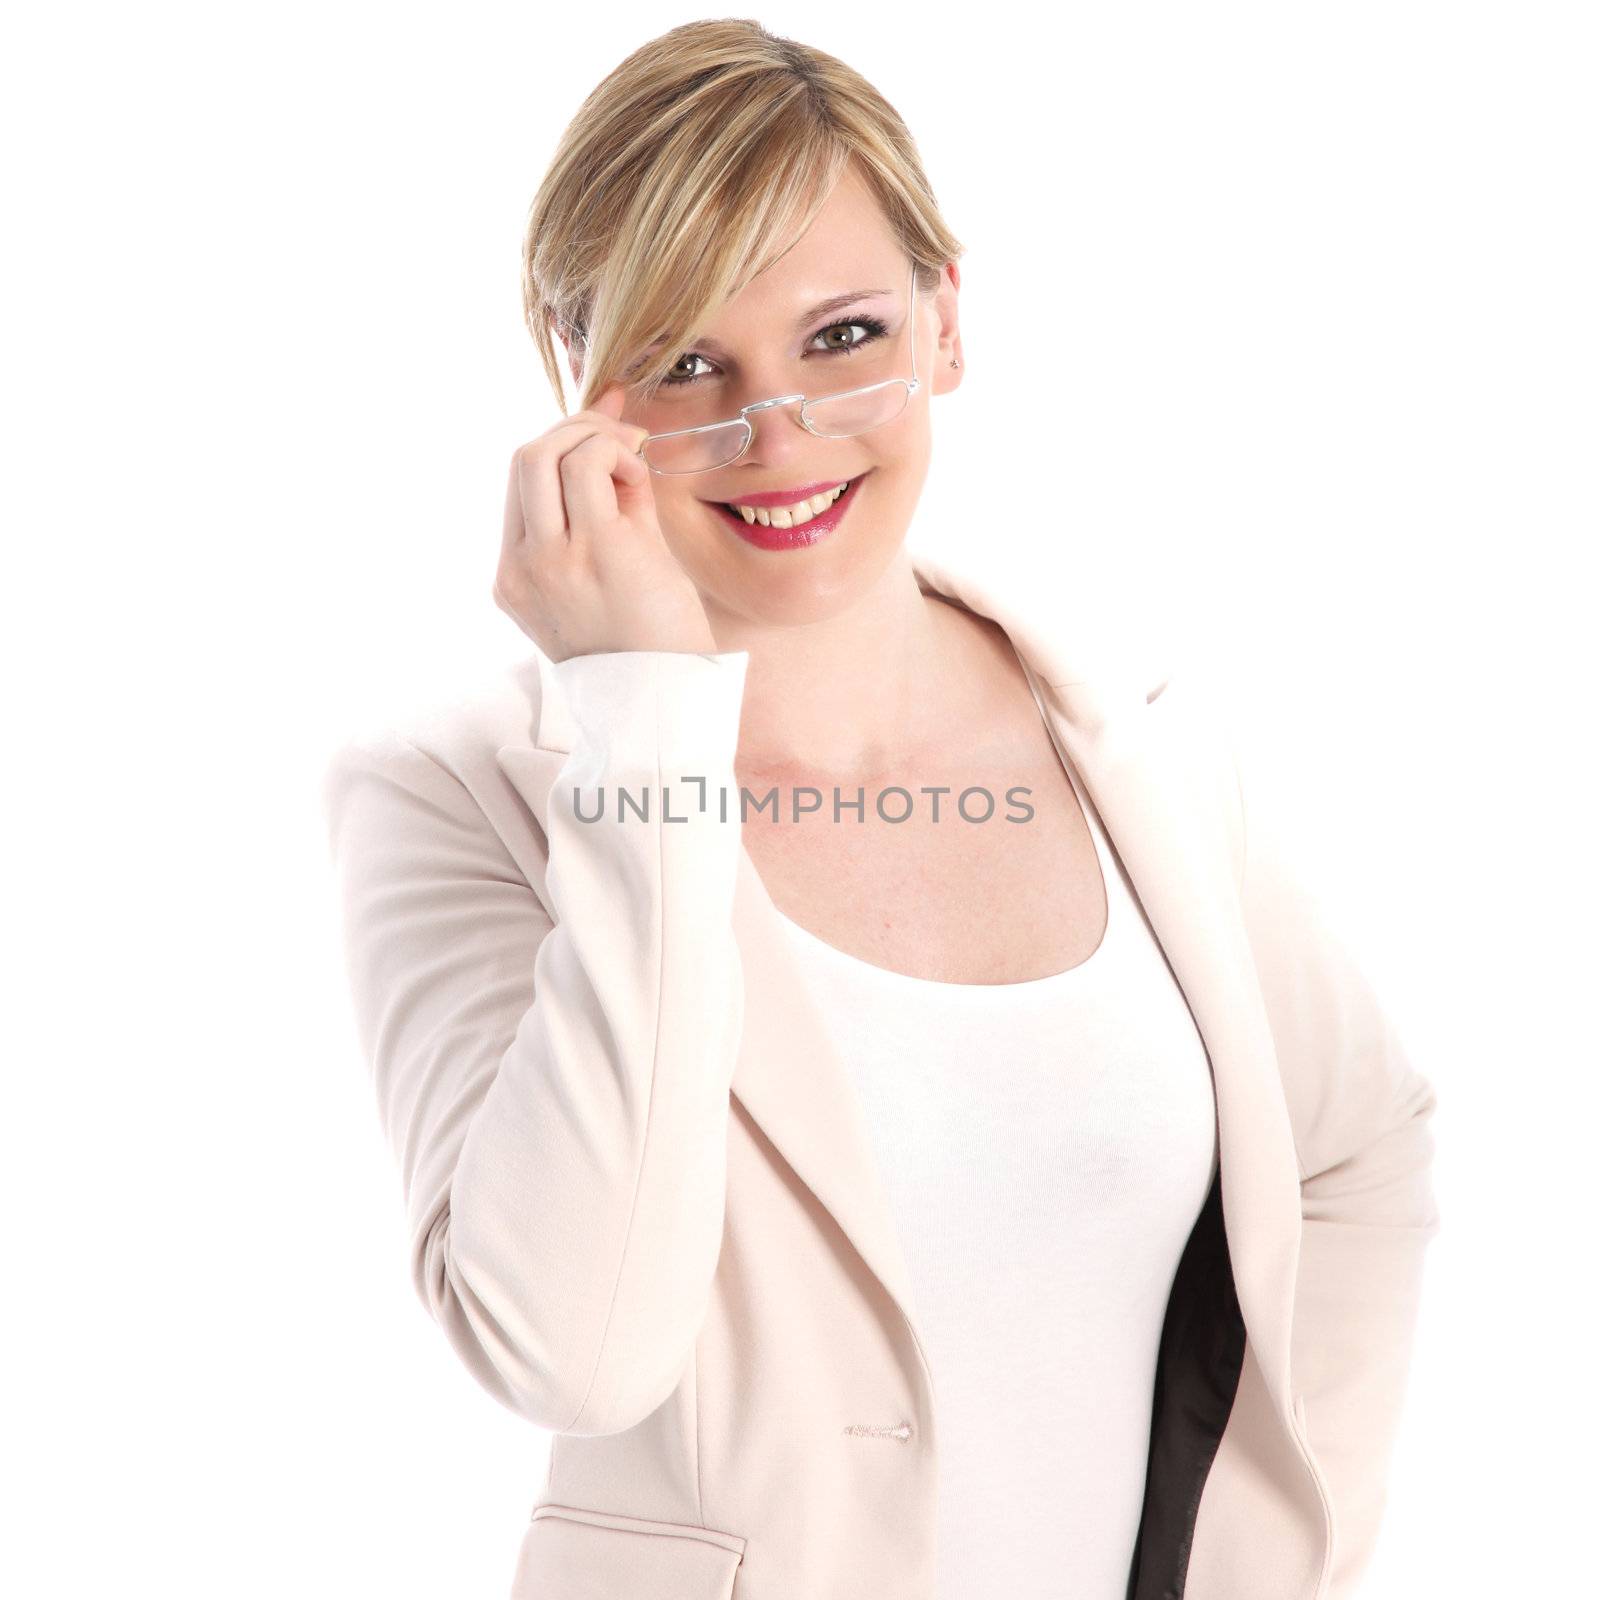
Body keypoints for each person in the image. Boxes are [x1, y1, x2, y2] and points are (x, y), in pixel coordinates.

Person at [320, 20, 1441, 1600]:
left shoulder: (1141, 736)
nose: (776, 436)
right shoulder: (457, 788)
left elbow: (1357, 1150)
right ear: (583, 396)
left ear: (947, 319)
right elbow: (574, 1356)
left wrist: (1266, 1564)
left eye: (841, 336)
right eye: (686, 362)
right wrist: (641, 721)